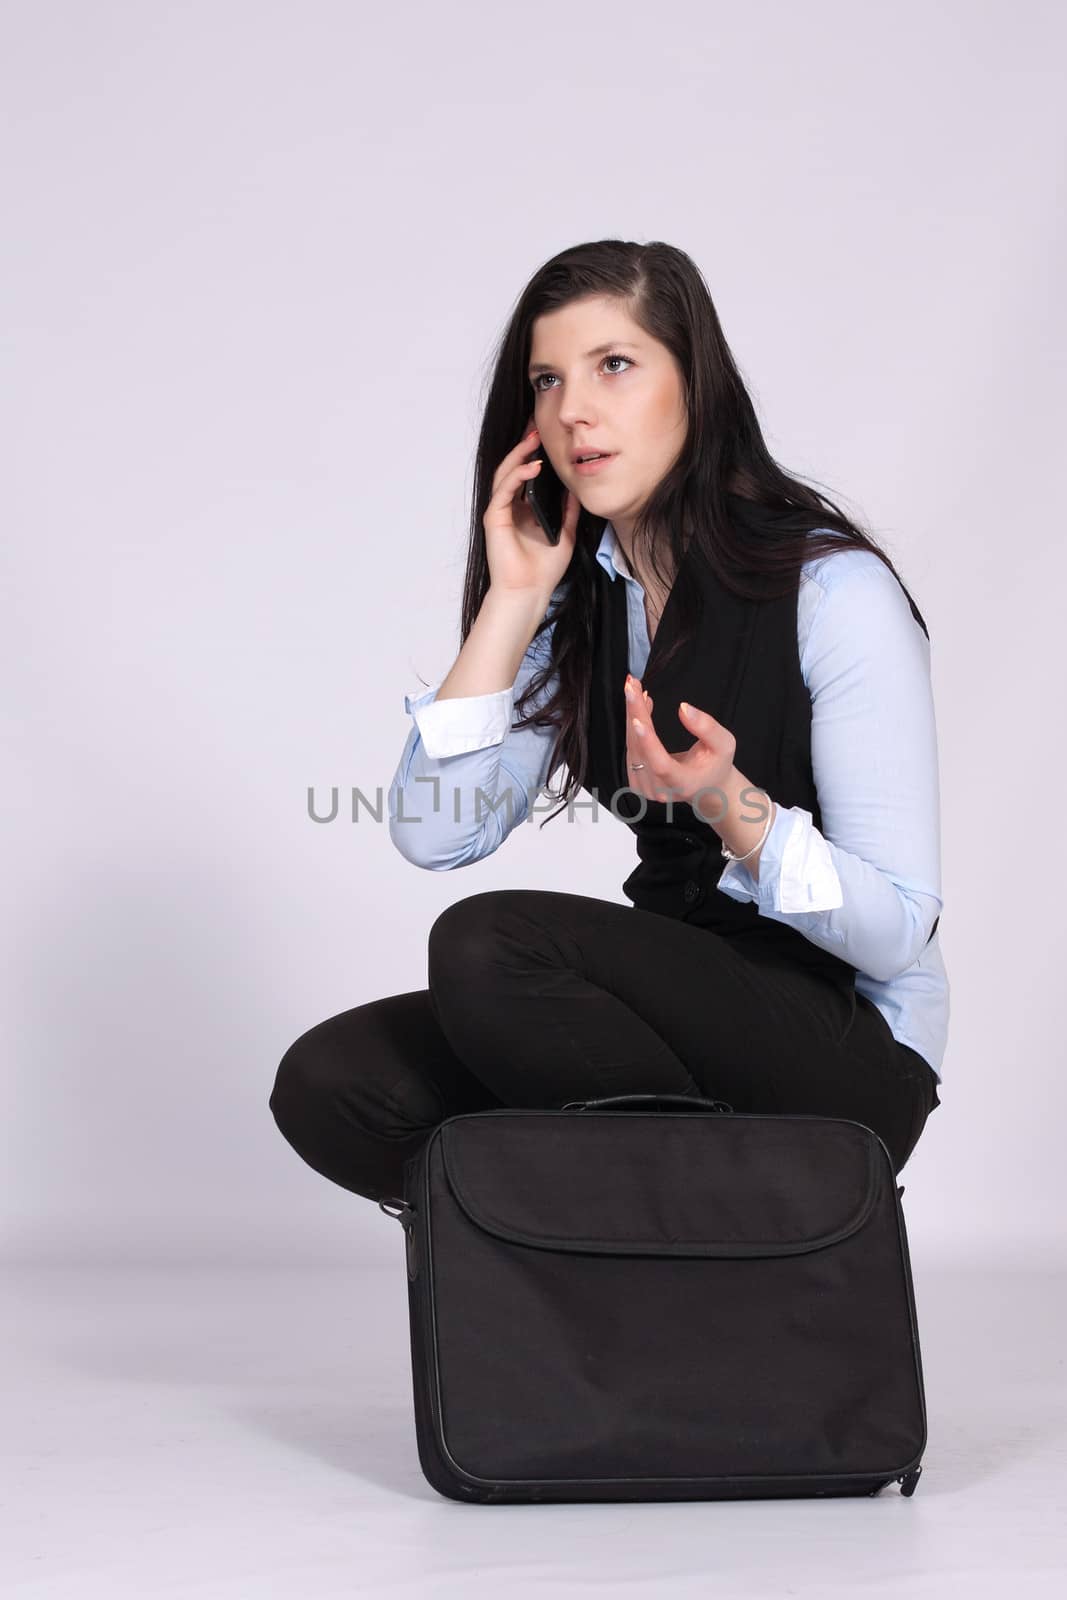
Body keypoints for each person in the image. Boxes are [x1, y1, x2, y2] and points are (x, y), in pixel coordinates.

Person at [269, 238, 947, 1207]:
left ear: (695, 387)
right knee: (337, 1084)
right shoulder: (578, 605)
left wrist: (727, 802)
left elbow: (895, 936)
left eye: (613, 366)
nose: (571, 409)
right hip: (668, 1026)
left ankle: (688, 1254)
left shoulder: (831, 589)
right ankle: (654, 1260)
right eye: (545, 379)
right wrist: (511, 599)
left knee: (490, 943)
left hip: (845, 1044)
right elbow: (436, 832)